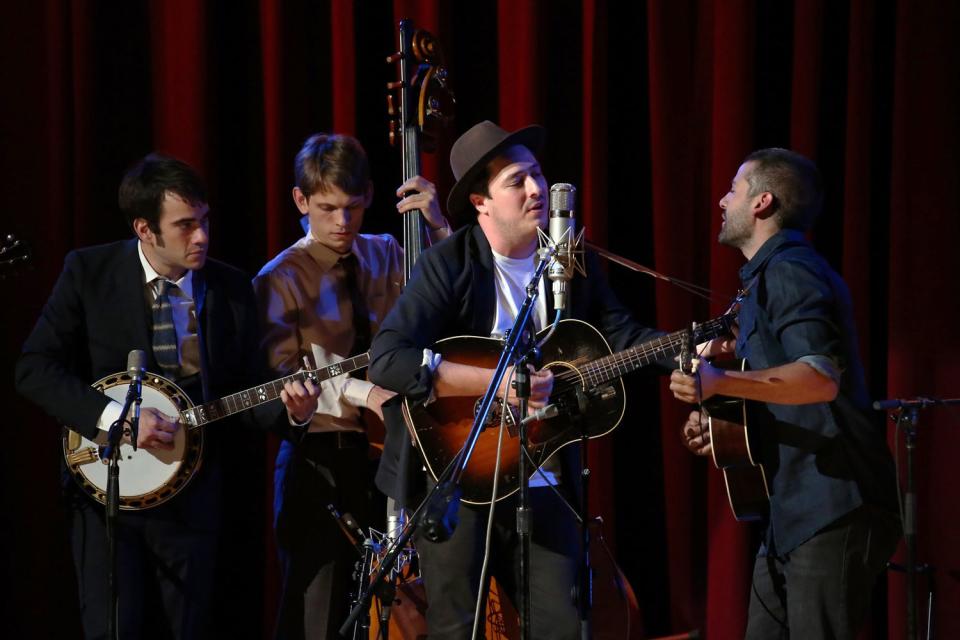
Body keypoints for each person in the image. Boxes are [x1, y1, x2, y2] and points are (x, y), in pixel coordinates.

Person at [369, 120, 664, 639]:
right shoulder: (449, 264)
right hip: (458, 475)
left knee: (564, 628)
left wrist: (690, 347)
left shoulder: (571, 262)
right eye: (517, 181)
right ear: (481, 202)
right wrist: (495, 382)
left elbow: (621, 334)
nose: (536, 190)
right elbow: (388, 359)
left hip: (544, 478)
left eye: (538, 175)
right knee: (456, 629)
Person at [15, 153, 320, 640]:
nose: (201, 237)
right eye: (184, 226)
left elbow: (245, 392)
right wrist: (115, 417)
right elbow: (34, 369)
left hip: (192, 500)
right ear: (144, 229)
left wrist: (293, 413)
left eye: (203, 222)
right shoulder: (89, 273)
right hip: (107, 495)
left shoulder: (230, 288)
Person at [669, 148, 901, 639]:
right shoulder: (761, 282)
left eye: (733, 188)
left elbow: (819, 379)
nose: (721, 199)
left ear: (762, 203)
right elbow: (774, 383)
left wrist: (720, 382)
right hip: (792, 509)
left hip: (834, 503)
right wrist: (721, 421)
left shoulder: (790, 271)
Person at [252, 132, 450, 640]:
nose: (343, 224)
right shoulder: (278, 278)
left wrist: (440, 231)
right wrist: (370, 395)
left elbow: (449, 306)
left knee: (408, 606)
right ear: (301, 201)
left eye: (354, 208)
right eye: (328, 209)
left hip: (397, 455)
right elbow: (289, 373)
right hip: (323, 456)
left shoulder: (388, 250)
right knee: (319, 612)